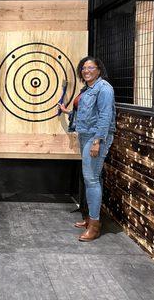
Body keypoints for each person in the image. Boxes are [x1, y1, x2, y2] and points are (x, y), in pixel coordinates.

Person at [59, 56, 116, 241]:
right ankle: (91, 217)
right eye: (84, 68)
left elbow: (105, 116)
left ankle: (95, 225)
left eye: (91, 67)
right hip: (86, 134)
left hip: (95, 137)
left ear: (99, 69)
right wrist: (68, 112)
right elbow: (85, 113)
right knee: (94, 178)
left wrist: (98, 141)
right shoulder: (88, 88)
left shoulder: (104, 88)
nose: (86, 70)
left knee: (91, 179)